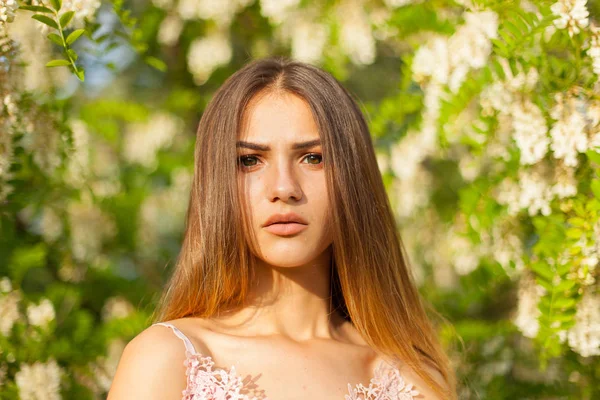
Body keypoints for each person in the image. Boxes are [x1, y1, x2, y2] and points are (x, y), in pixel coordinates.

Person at [107, 56, 457, 400]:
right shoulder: (168, 360)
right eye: (250, 161)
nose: (283, 188)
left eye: (313, 158)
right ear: (217, 183)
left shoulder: (411, 380)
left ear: (353, 178)